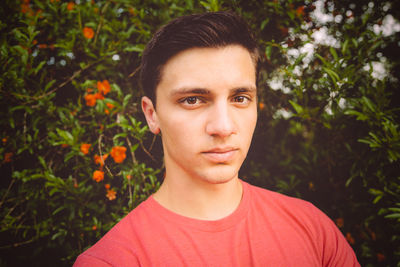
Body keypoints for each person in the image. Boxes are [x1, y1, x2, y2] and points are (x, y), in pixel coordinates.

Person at [74, 11, 360, 266]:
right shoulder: (112, 260)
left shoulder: (313, 230)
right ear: (152, 114)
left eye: (240, 98)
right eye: (193, 100)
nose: (223, 127)